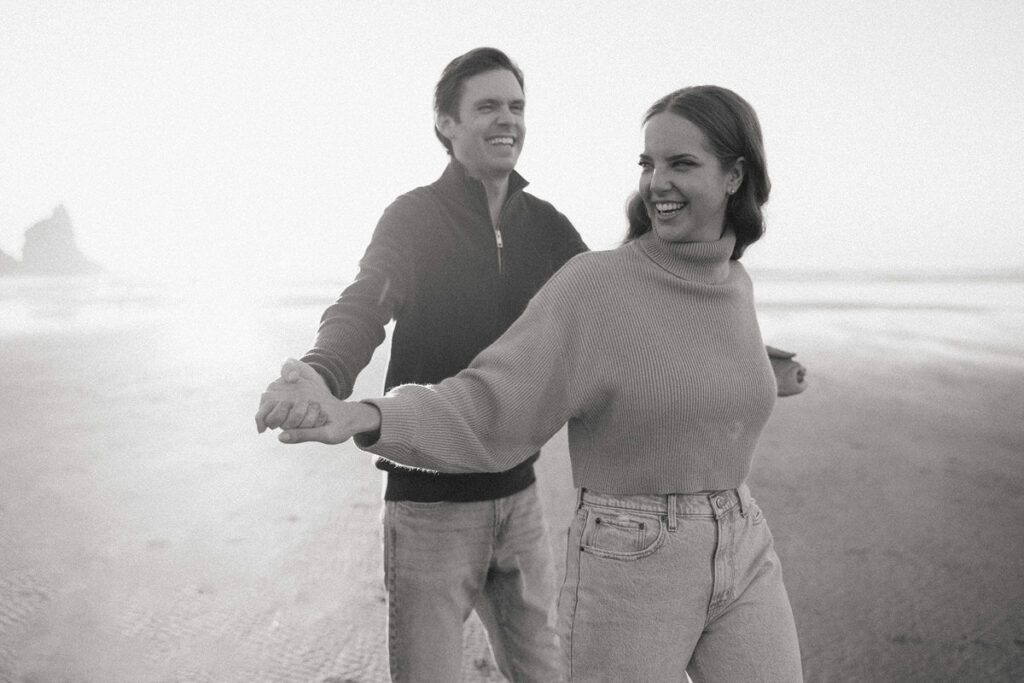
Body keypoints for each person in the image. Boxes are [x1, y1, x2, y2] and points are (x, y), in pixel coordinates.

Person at [258, 84, 804, 681]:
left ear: (734, 177)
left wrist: (758, 368)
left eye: (681, 163)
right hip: (567, 532)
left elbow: (654, 329)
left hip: (730, 535)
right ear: (446, 124)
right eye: (649, 164)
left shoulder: (721, 277)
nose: (655, 183)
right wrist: (347, 400)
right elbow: (474, 382)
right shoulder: (436, 226)